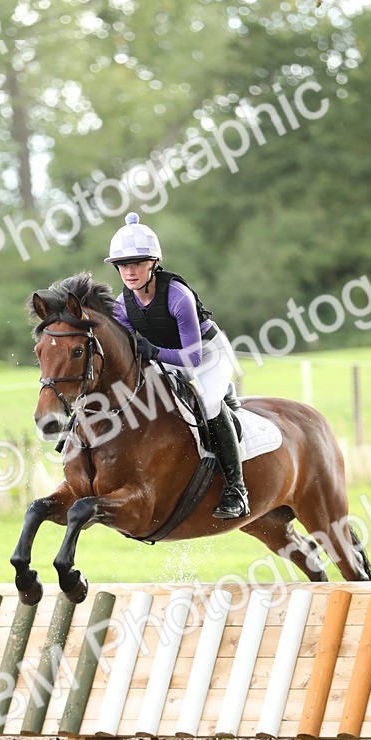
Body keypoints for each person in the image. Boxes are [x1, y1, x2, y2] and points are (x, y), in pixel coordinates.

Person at [105, 211, 249, 520]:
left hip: (209, 354)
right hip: (169, 354)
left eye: (137, 264)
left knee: (209, 404)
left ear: (153, 264)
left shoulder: (177, 296)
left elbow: (193, 359)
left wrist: (153, 351)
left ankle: (237, 491)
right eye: (122, 266)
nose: (129, 272)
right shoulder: (121, 305)